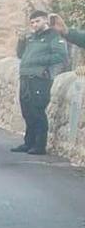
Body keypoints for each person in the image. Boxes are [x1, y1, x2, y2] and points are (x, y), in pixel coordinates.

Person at [13, 10, 85, 155]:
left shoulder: (53, 37)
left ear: (45, 21)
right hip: (26, 77)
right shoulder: (31, 38)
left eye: (37, 21)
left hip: (40, 79)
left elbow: (60, 56)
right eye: (32, 22)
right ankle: (29, 143)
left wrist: (39, 64)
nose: (34, 25)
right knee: (27, 111)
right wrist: (21, 41)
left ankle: (39, 146)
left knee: (37, 111)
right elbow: (21, 55)